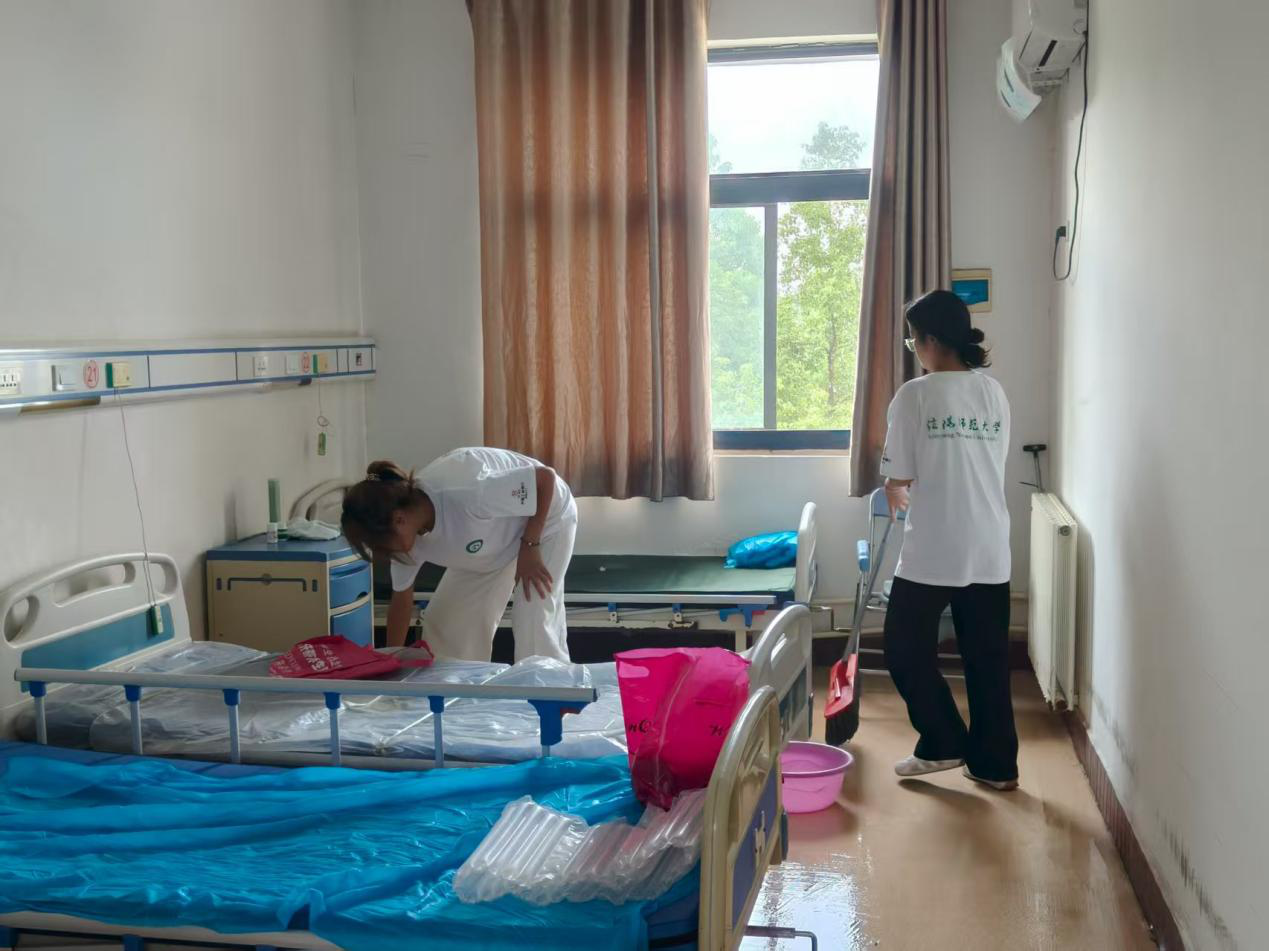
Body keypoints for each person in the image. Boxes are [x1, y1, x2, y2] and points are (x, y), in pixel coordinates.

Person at [879, 289, 1019, 791]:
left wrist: (894, 490)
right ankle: (996, 765)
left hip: (935, 547)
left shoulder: (915, 395)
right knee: (988, 661)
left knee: (903, 647)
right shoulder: (993, 392)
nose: (914, 349)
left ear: (931, 340)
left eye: (913, 340)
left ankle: (942, 739)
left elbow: (900, 475)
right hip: (989, 543)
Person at [341, 447, 577, 662]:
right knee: (445, 621)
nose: (384, 553)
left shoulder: (468, 492)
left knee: (532, 614)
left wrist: (530, 545)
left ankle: (552, 690)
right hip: (492, 538)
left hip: (547, 518)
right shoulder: (406, 538)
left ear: (399, 520)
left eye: (381, 545)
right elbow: (401, 600)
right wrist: (391, 660)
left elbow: (544, 479)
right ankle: (462, 690)